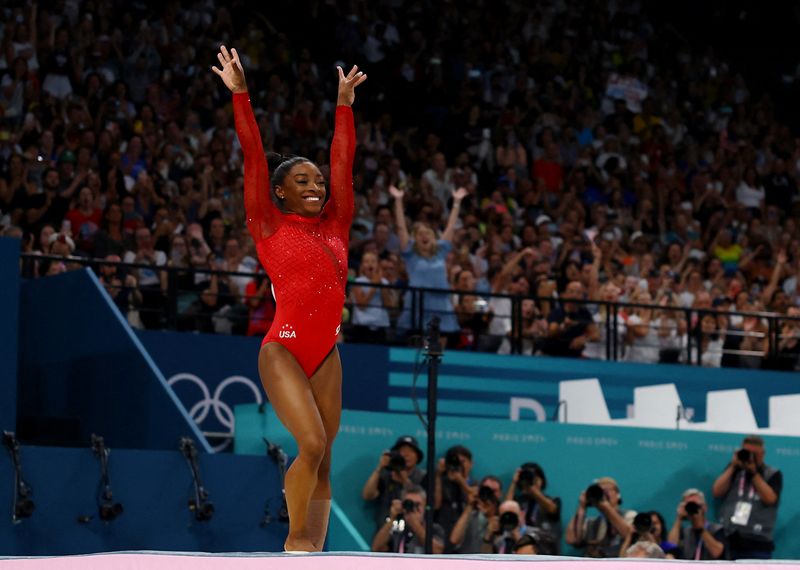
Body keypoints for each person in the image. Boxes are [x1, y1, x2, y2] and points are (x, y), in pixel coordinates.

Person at [213, 45, 366, 552]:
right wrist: (241, 95)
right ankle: (295, 544)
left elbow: (343, 159)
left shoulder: (337, 223)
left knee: (325, 458)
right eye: (303, 181)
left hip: (326, 352)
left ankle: (314, 552)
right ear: (280, 192)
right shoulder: (268, 221)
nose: (317, 186)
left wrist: (344, 104)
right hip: (283, 349)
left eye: (318, 181)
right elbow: (253, 156)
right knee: (313, 443)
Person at [711, 435, 782, 559]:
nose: (752, 457)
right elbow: (717, 491)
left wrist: (753, 473)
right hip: (730, 537)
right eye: (748, 453)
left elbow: (770, 498)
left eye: (755, 454)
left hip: (757, 540)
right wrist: (733, 465)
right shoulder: (734, 470)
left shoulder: (772, 474)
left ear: (763, 453)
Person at [361, 436, 427, 532]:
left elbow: (427, 503)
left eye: (410, 451)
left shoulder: (423, 476)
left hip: (413, 532)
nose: (406, 455)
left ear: (417, 456)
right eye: (402, 451)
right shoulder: (386, 475)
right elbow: (367, 495)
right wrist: (380, 467)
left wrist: (404, 480)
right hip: (386, 530)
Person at [566, 476, 634, 558]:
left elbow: (629, 535)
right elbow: (571, 539)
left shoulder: (629, 515)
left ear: (618, 494)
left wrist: (606, 507)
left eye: (608, 490)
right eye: (601, 491)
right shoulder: (592, 522)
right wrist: (581, 507)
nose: (604, 494)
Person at [504, 462, 562, 554]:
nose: (529, 481)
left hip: (544, 553)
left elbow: (552, 509)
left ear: (541, 480)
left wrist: (533, 489)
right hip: (517, 550)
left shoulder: (552, 501)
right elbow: (505, 508)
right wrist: (514, 482)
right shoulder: (518, 502)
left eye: (534, 477)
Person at [371, 485, 445, 554]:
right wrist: (392, 519)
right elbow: (376, 548)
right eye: (409, 504)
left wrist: (415, 525)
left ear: (424, 506)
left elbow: (438, 551)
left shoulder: (433, 529)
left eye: (417, 505)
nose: (413, 508)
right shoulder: (396, 527)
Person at [667, 488, 727, 560]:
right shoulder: (685, 531)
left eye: (695, 505)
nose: (692, 508)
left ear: (704, 507)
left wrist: (700, 529)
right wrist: (679, 518)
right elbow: (671, 546)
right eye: (689, 505)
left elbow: (717, 552)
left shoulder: (717, 529)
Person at [449, 476, 502, 554]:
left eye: (493, 491)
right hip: (467, 563)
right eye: (486, 490)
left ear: (500, 494)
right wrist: (470, 505)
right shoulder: (470, 515)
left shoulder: (504, 517)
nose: (490, 494)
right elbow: (454, 540)